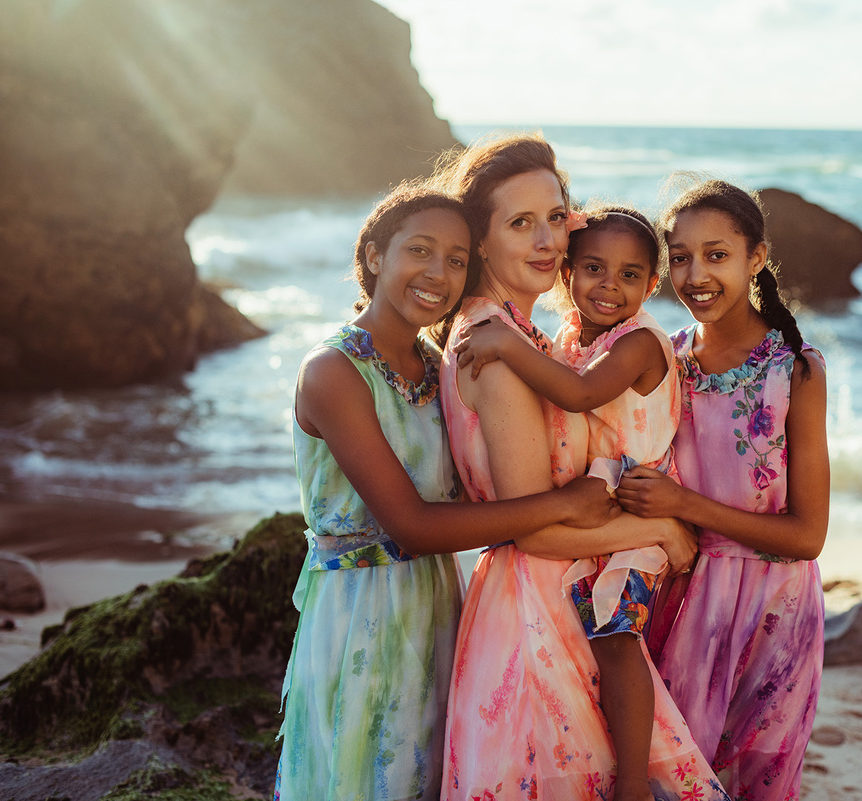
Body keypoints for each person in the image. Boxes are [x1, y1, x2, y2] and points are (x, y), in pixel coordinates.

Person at [273, 183, 617, 801]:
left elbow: (474, 500)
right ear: (375, 256)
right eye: (420, 250)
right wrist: (565, 504)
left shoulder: (440, 368)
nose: (438, 273)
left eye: (457, 260)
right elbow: (413, 525)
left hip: (438, 606)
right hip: (358, 617)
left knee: (432, 776)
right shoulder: (333, 371)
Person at [434, 134, 728, 801]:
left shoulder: (523, 337)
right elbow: (535, 528)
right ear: (480, 240)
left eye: (554, 216)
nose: (547, 241)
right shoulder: (496, 347)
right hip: (533, 607)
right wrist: (661, 530)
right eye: (520, 223)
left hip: (558, 593)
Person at [453, 204, 680, 801]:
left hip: (640, 496)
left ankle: (633, 782)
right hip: (604, 497)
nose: (610, 285)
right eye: (594, 268)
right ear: (569, 272)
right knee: (598, 640)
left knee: (617, 639)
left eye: (630, 275)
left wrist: (506, 344)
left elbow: (578, 395)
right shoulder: (573, 337)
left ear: (651, 285)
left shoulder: (639, 343)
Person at [616, 180, 830, 800]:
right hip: (683, 597)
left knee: (760, 779)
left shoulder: (794, 368)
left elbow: (807, 536)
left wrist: (683, 506)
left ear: (755, 257)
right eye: (680, 257)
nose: (696, 275)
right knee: (674, 775)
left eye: (716, 255)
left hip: (774, 609)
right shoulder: (664, 361)